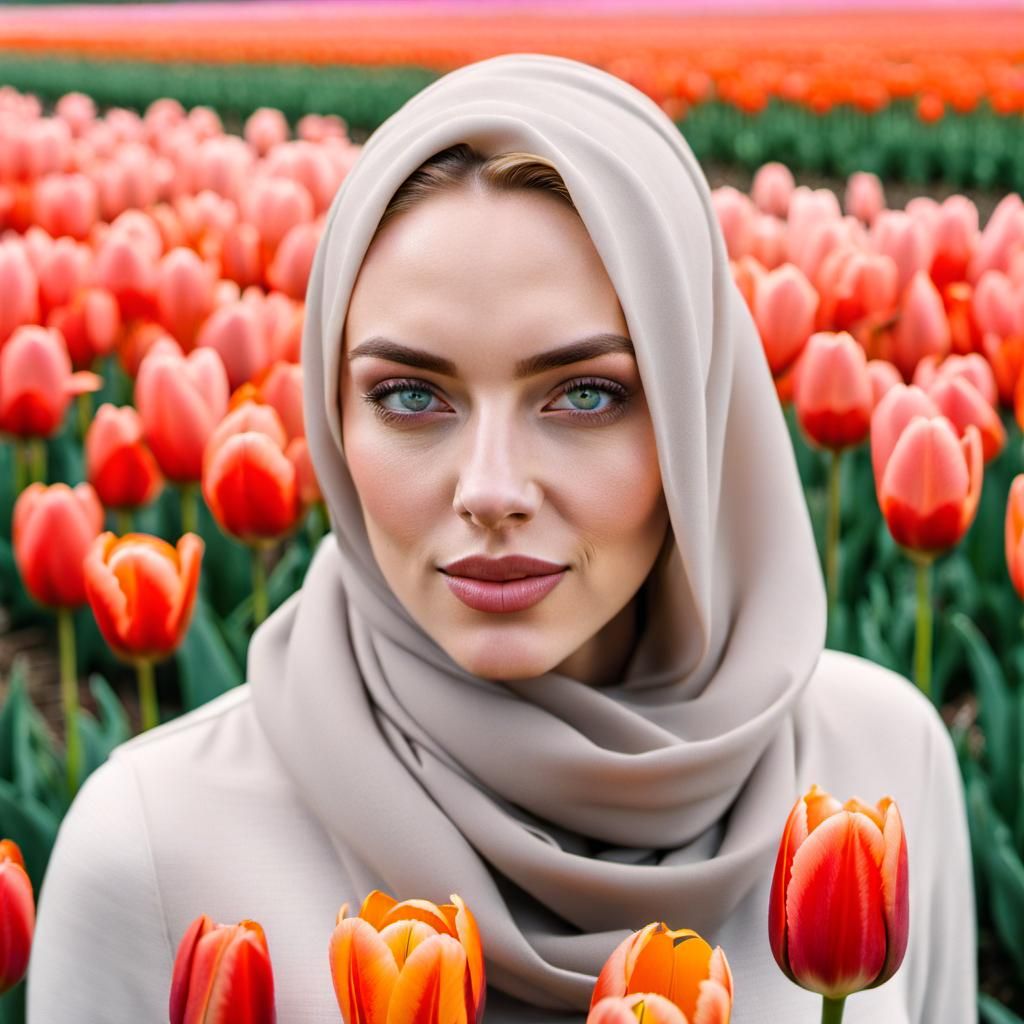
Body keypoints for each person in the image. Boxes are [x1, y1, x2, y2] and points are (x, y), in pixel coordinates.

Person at [25, 53, 975, 1023]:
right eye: (408, 395)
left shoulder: (877, 771)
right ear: (330, 413)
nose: (489, 491)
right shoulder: (155, 844)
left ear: (697, 415)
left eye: (585, 394)